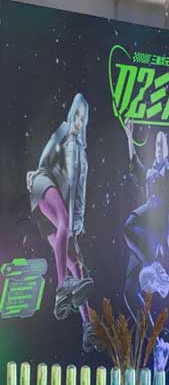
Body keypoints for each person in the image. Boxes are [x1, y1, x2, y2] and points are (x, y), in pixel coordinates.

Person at [27, 92, 100, 352]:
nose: (78, 121)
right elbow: (45, 157)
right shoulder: (63, 131)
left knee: (77, 264)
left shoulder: (83, 156)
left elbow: (78, 193)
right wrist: (33, 176)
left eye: (83, 118)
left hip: (54, 210)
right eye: (76, 115)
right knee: (64, 222)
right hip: (42, 182)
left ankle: (88, 326)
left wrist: (78, 221)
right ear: (71, 114)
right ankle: (61, 288)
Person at [122, 121, 169, 370]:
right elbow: (135, 169)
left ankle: (154, 268)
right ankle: (159, 344)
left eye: (161, 145)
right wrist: (129, 137)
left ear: (167, 149)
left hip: (156, 233)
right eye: (156, 145)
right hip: (144, 238)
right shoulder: (150, 173)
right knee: (130, 292)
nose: (158, 149)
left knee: (129, 224)